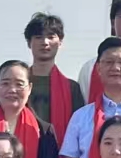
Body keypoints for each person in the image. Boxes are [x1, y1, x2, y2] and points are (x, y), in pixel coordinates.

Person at [23, 12, 82, 142]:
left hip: (58, 149)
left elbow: (79, 129)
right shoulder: (17, 84)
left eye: (51, 37)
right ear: (29, 43)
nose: (45, 42)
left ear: (60, 42)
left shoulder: (72, 88)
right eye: (38, 37)